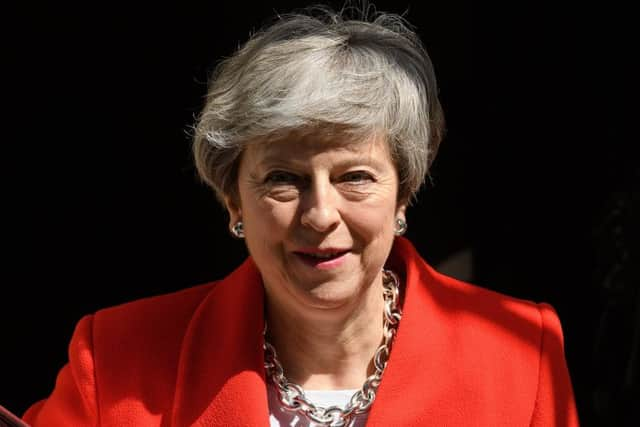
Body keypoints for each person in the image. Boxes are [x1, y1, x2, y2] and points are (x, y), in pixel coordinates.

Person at [22, 3, 579, 426]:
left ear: (403, 193)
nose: (320, 215)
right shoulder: (116, 357)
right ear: (233, 199)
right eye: (283, 179)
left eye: (354, 177)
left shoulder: (521, 353)